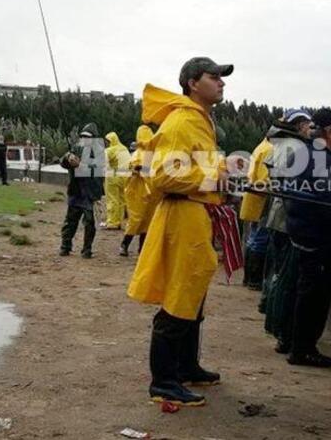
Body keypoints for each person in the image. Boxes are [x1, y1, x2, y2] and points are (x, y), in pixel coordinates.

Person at [127, 56, 234, 406]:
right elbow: (164, 176)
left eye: (221, 77)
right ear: (192, 83)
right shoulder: (181, 122)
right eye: (213, 76)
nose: (221, 82)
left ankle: (187, 366)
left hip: (197, 215)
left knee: (194, 293)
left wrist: (220, 178)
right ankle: (163, 382)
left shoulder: (200, 121)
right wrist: (213, 177)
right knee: (179, 296)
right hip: (183, 216)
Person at [284, 108, 331, 368]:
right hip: (317, 235)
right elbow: (329, 203)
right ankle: (303, 350)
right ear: (330, 132)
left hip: (303, 231)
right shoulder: (321, 158)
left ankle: (295, 343)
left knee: (304, 289)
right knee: (314, 294)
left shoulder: (304, 152)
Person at [260, 109, 313, 353]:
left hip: (276, 214)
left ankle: (274, 323)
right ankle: (282, 331)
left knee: (276, 272)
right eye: (308, 125)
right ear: (300, 125)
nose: (311, 129)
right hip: (287, 218)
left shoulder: (278, 144)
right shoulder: (296, 147)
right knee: (286, 277)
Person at [59, 123, 105, 259]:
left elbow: (95, 169)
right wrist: (68, 158)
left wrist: (80, 164)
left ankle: (87, 249)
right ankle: (65, 247)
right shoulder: (76, 148)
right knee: (70, 221)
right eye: (83, 136)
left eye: (88, 137)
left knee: (89, 223)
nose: (85, 139)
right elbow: (63, 162)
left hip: (90, 193)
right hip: (76, 191)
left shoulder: (100, 152)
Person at [239, 131, 274, 290]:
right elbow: (265, 180)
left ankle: (248, 278)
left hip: (253, 198)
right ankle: (255, 280)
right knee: (260, 239)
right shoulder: (270, 150)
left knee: (253, 239)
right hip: (262, 200)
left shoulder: (261, 147)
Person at [120, 125, 157, 256]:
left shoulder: (154, 154)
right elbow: (131, 170)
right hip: (137, 191)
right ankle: (124, 244)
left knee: (148, 220)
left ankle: (142, 249)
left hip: (151, 192)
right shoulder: (137, 154)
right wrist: (137, 170)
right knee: (136, 219)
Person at [103, 132, 130, 229]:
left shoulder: (109, 150)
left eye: (107, 141)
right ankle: (121, 221)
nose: (105, 143)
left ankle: (113, 222)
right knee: (123, 201)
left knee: (112, 200)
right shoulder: (125, 149)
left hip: (112, 177)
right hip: (126, 177)